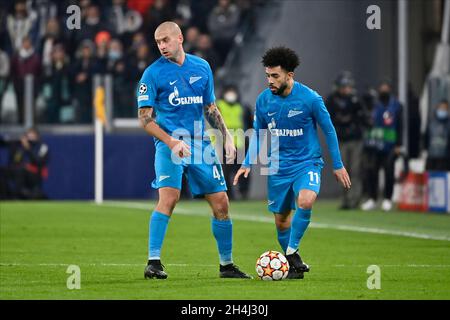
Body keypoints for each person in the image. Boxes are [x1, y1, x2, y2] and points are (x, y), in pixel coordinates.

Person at [137, 21, 251, 280]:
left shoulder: (202, 67)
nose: (162, 46)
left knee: (222, 203)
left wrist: (228, 138)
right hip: (170, 144)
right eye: (158, 42)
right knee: (169, 198)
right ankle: (153, 262)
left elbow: (210, 107)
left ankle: (227, 266)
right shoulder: (152, 74)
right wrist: (171, 142)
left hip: (201, 144)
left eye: (166, 40)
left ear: (180, 38)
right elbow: (145, 119)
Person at [233, 47, 351, 279]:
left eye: (275, 76)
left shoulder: (310, 99)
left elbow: (328, 130)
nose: (270, 81)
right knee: (281, 220)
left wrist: (337, 164)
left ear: (290, 75)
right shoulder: (264, 101)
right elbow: (258, 134)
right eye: (267, 75)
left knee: (306, 200)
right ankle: (292, 265)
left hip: (307, 162)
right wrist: (247, 162)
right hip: (278, 168)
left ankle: (292, 251)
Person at [360, 81, 403, 212]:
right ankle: (373, 199)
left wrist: (398, 144)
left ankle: (387, 199)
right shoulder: (373, 103)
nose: (384, 89)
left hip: (389, 145)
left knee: (389, 173)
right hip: (373, 144)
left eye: (386, 87)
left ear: (390, 89)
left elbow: (400, 126)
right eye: (382, 87)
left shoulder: (396, 105)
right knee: (372, 172)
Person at [326, 71, 366, 209]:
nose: (346, 89)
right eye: (344, 86)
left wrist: (351, 119)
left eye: (348, 86)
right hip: (341, 139)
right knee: (342, 170)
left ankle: (355, 199)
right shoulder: (332, 100)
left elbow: (363, 117)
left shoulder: (355, 100)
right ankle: (345, 200)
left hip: (355, 139)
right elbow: (329, 118)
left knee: (355, 170)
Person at [216, 84, 246, 200]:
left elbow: (247, 124)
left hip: (240, 143)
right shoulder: (219, 106)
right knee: (226, 170)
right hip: (224, 143)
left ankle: (243, 192)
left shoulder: (242, 107)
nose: (231, 94)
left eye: (233, 91)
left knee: (242, 170)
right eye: (229, 91)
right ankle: (228, 192)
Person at [6, 128, 49, 200]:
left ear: (37, 137)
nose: (30, 139)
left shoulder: (42, 147)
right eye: (28, 137)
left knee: (21, 170)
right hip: (20, 172)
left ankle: (26, 194)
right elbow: (15, 161)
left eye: (32, 136)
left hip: (36, 172)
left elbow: (38, 162)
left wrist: (28, 149)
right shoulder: (21, 147)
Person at [424, 99, 450, 171]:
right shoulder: (431, 123)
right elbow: (426, 138)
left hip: (445, 159)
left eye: (445, 108)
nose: (442, 110)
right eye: (441, 108)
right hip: (432, 158)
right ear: (437, 108)